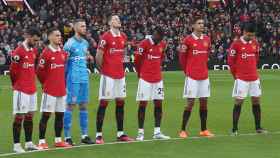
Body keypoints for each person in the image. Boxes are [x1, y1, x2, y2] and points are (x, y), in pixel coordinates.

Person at [95, 15, 134, 144]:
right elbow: (98, 56)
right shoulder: (105, 37)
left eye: (119, 19)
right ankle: (99, 135)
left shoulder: (123, 36)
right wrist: (103, 71)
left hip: (120, 75)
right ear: (110, 22)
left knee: (120, 102)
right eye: (116, 19)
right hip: (108, 75)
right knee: (104, 103)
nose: (119, 20)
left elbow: (123, 53)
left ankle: (120, 134)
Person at [227, 22, 267, 135]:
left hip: (254, 78)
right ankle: (234, 129)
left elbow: (256, 57)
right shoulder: (236, 44)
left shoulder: (255, 43)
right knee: (239, 102)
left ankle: (258, 127)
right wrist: (236, 76)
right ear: (243, 32)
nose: (251, 37)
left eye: (252, 35)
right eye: (249, 35)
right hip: (241, 79)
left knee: (256, 101)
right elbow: (230, 62)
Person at [179, 16, 214, 138]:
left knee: (204, 103)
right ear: (193, 26)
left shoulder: (207, 39)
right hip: (192, 77)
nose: (202, 25)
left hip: (204, 76)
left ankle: (204, 129)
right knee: (190, 103)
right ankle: (183, 130)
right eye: (199, 23)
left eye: (203, 23)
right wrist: (187, 71)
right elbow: (182, 58)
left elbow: (208, 53)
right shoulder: (187, 40)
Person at [37, 28, 72, 149]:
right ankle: (41, 141)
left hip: (61, 90)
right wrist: (45, 84)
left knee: (60, 116)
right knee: (46, 116)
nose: (59, 37)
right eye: (57, 35)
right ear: (50, 37)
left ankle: (58, 140)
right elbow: (39, 72)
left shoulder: (63, 53)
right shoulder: (45, 53)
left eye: (60, 35)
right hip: (50, 90)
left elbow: (64, 71)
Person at [134, 26, 170, 141]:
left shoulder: (162, 45)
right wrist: (140, 74)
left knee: (158, 104)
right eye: (159, 36)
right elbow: (137, 61)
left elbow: (161, 58)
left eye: (161, 37)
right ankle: (140, 132)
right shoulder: (144, 44)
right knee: (143, 105)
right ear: (154, 34)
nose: (160, 39)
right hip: (145, 79)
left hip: (158, 79)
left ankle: (157, 132)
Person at [10, 27, 41, 153]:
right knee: (19, 116)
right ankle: (16, 145)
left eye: (37, 41)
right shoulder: (18, 52)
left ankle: (28, 143)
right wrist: (16, 85)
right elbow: (13, 71)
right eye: (34, 40)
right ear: (28, 36)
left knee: (30, 116)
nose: (36, 43)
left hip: (32, 88)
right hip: (21, 89)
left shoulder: (33, 51)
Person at [63, 19, 94, 145]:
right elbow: (64, 63)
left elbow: (86, 54)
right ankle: (67, 137)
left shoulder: (85, 43)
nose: (84, 28)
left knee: (83, 105)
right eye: (82, 26)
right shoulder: (69, 44)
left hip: (84, 78)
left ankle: (85, 135)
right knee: (70, 105)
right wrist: (64, 81)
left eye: (85, 26)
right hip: (73, 78)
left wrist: (89, 57)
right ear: (75, 28)